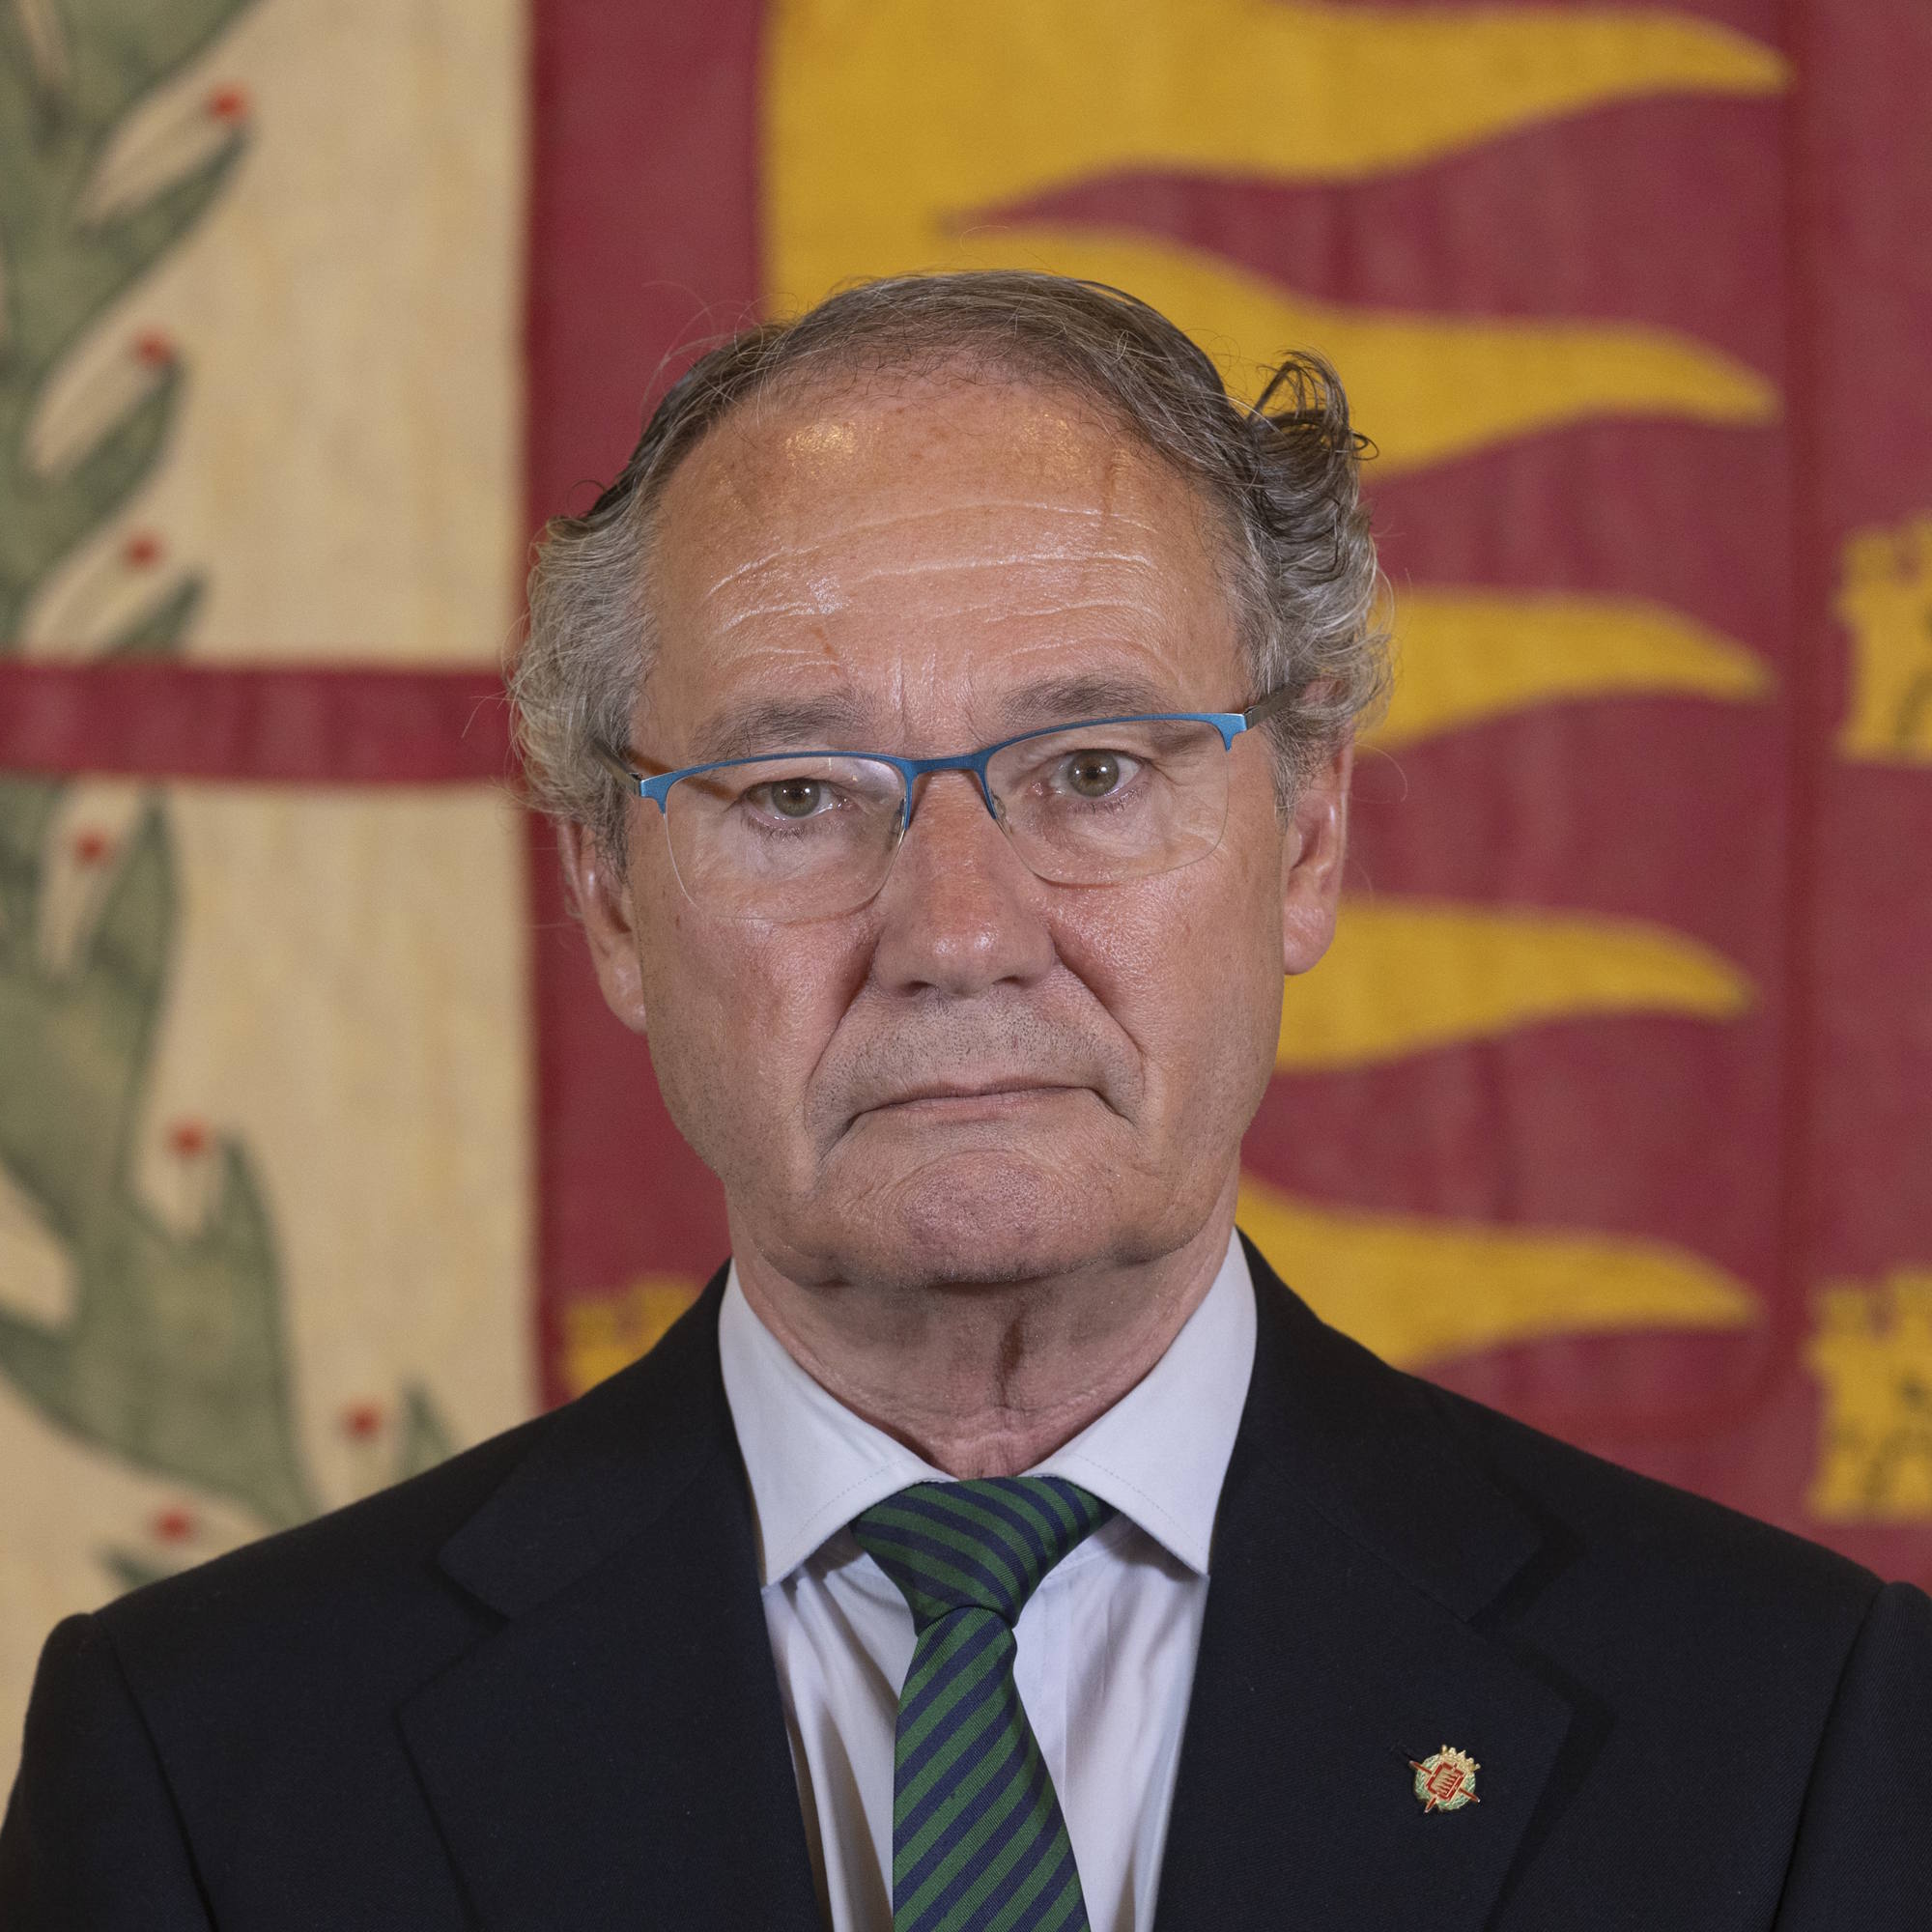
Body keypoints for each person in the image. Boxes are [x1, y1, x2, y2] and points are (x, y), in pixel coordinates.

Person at [2, 271, 1927, 1931]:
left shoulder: (1786, 1731)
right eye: (796, 795)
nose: (959, 935)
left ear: (1307, 835)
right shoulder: (210, 1764)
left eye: (1093, 769)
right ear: (611, 896)